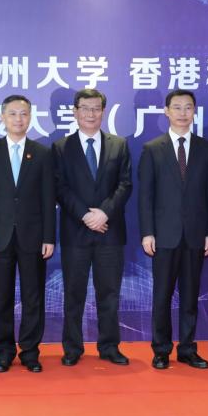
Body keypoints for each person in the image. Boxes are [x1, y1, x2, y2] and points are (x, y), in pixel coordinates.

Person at [138, 89, 208, 370]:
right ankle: (161, 350)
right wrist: (147, 232)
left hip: (196, 234)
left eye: (188, 107)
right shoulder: (152, 149)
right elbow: (145, 196)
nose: (183, 113)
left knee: (190, 295)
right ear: (166, 111)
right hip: (163, 235)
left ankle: (187, 348)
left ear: (194, 111)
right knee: (161, 295)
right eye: (177, 107)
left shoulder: (207, 149)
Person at [52, 88, 132, 367]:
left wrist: (104, 213)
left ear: (103, 111)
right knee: (73, 293)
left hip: (110, 232)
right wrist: (85, 215)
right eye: (84, 108)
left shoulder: (118, 144)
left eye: (96, 108)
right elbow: (59, 187)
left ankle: (109, 346)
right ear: (75, 112)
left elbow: (125, 184)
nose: (90, 114)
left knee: (109, 294)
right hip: (76, 231)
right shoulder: (61, 147)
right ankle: (72, 348)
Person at [0, 95, 55, 373]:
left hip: (34, 236)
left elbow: (48, 198)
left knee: (33, 296)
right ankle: (4, 351)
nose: (18, 119)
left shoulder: (43, 152)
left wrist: (49, 237)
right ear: (2, 117)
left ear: (30, 117)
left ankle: (30, 351)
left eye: (23, 114)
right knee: (1, 296)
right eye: (13, 114)